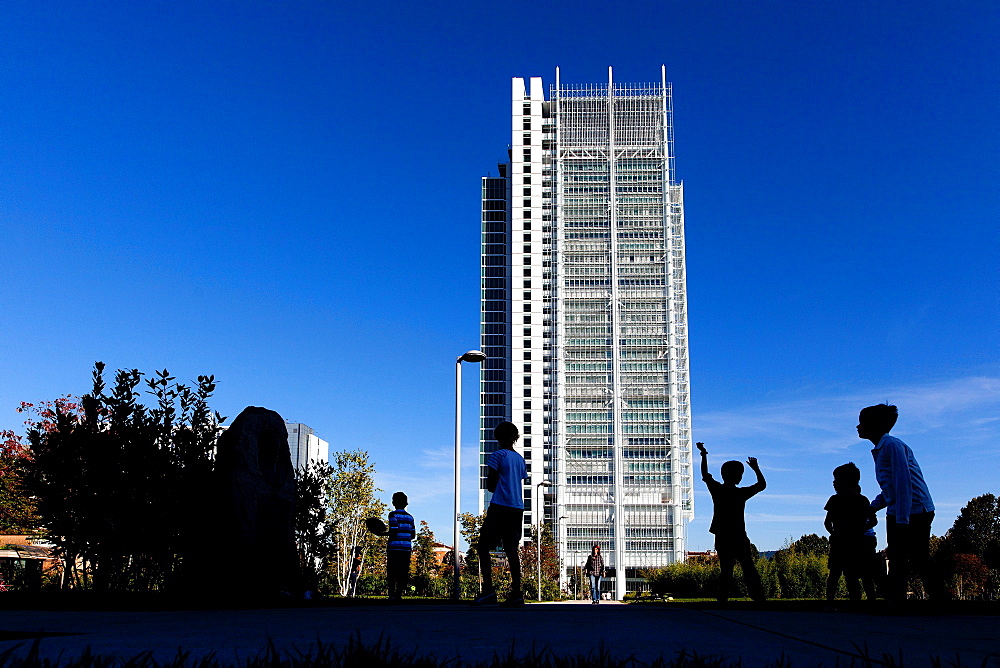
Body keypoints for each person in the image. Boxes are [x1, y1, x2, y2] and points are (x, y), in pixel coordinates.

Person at [857, 403, 937, 601]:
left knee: (915, 557)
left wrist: (902, 520)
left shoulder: (892, 446)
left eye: (862, 422)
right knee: (898, 556)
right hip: (901, 510)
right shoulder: (883, 449)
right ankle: (897, 599)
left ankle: (935, 598)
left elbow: (904, 484)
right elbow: (892, 488)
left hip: (915, 510)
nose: (858, 427)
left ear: (874, 424)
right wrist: (874, 506)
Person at [698, 442, 766, 602]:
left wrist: (704, 455)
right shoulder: (740, 493)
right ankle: (758, 597)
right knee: (748, 567)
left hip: (722, 535)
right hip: (738, 535)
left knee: (726, 569)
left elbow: (705, 474)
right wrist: (756, 469)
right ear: (738, 476)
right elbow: (762, 485)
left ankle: (723, 598)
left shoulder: (718, 490)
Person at [473, 421, 529, 607]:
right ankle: (516, 592)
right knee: (511, 549)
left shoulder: (497, 455)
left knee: (483, 546)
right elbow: (519, 478)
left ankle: (488, 590)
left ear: (498, 437)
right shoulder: (520, 459)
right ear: (515, 437)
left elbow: (491, 483)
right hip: (517, 507)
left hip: (500, 505)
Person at [824, 463, 878, 603]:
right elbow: (873, 521)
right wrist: (860, 530)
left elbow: (827, 522)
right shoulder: (862, 500)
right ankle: (868, 602)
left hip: (845, 542)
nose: (834, 483)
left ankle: (832, 602)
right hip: (855, 541)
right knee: (858, 575)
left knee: (839, 574)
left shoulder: (835, 500)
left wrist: (835, 533)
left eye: (837, 479)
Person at [386, 491, 415, 601]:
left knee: (392, 571)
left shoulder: (392, 515)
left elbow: (393, 531)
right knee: (403, 572)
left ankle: (391, 594)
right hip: (406, 548)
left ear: (393, 502)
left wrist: (383, 533)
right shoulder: (410, 517)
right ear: (406, 503)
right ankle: (399, 594)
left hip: (394, 547)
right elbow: (413, 535)